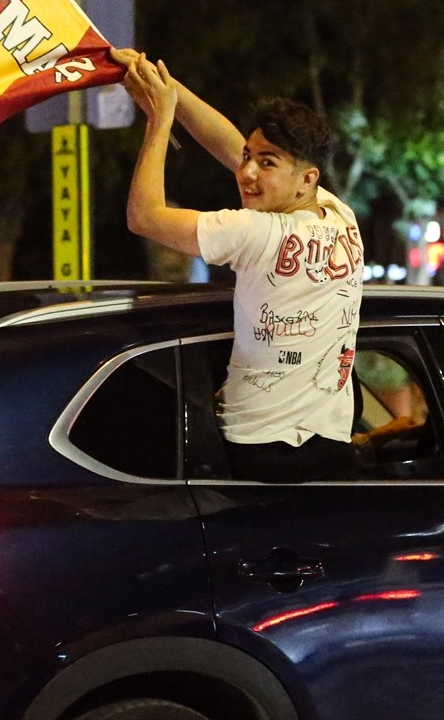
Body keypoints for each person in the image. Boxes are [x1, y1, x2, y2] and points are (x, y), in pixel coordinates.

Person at [116, 48, 363, 483]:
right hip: (330, 449)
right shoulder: (339, 214)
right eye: (250, 157)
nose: (247, 171)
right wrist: (164, 87)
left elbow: (143, 216)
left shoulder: (255, 232)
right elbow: (228, 144)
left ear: (307, 178)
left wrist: (160, 121)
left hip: (256, 451)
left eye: (266, 163)